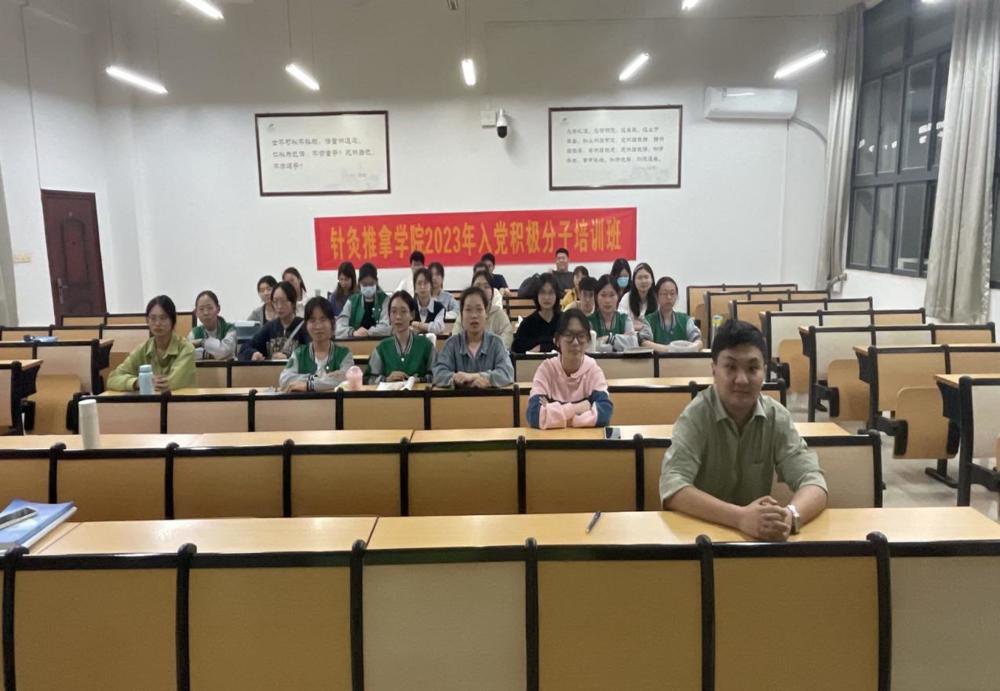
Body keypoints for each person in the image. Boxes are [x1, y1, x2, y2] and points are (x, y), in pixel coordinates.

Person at [659, 320, 828, 541]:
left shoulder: (776, 417)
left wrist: (790, 516)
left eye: (752, 368)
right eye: (730, 367)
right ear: (714, 370)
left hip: (757, 542)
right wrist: (740, 518)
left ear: (764, 372)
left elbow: (813, 480)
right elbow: (672, 487)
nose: (742, 379)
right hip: (702, 538)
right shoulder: (696, 415)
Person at [526, 309, 613, 429]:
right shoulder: (546, 369)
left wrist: (554, 415)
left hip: (586, 439)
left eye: (581, 336)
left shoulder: (593, 370)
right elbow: (534, 415)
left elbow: (604, 414)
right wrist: (577, 408)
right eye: (569, 335)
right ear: (557, 340)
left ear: (588, 340)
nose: (575, 342)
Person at [108, 295, 195, 392]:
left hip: (179, 400)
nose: (157, 323)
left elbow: (168, 384)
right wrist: (137, 382)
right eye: (153, 318)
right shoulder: (143, 349)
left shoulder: (186, 349)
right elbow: (113, 379)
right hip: (149, 401)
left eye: (163, 318)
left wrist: (147, 383)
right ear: (147, 321)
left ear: (173, 320)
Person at [433, 287, 514, 388]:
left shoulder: (496, 343)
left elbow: (507, 373)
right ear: (461, 315)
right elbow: (438, 373)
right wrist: (456, 378)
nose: (474, 315)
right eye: (468, 310)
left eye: (479, 309)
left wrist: (477, 376)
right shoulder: (452, 343)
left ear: (486, 314)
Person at [278, 297, 354, 392]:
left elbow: (348, 379)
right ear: (306, 325)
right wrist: (318, 378)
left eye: (323, 319)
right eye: (312, 320)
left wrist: (309, 385)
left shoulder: (344, 354)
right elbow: (284, 379)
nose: (318, 326)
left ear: (332, 323)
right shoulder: (299, 353)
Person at [368, 291, 436, 383]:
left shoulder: (426, 345)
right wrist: (387, 379)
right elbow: (369, 379)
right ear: (389, 315)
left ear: (412, 315)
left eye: (403, 311)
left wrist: (419, 380)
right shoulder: (381, 348)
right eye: (393, 312)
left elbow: (438, 376)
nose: (398, 317)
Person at [238, 281, 310, 361]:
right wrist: (253, 354)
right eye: (275, 302)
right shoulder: (270, 327)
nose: (279, 306)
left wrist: (289, 357)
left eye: (283, 301)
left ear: (293, 302)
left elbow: (313, 353)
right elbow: (244, 349)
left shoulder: (304, 326)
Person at [451, 269, 513, 348]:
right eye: (478, 286)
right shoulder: (464, 314)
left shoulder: (499, 314)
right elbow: (455, 339)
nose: (482, 290)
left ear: (492, 292)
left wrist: (488, 350)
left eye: (486, 286)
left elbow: (507, 339)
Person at [640, 277, 703, 351]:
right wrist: (671, 349)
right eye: (664, 294)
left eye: (672, 293)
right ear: (656, 296)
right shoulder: (648, 320)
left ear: (677, 296)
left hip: (682, 358)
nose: (669, 297)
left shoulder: (686, 320)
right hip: (657, 358)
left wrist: (691, 347)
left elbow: (698, 341)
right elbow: (644, 342)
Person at [336, 262, 391, 339]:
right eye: (364, 284)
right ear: (359, 283)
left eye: (371, 284)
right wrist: (353, 332)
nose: (368, 287)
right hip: (356, 343)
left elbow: (387, 327)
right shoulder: (352, 301)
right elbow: (338, 327)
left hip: (380, 342)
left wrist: (368, 332)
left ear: (376, 282)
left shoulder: (385, 300)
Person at [511, 272, 560, 354]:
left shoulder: (565, 321)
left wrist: (542, 346)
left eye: (551, 292)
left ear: (557, 295)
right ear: (536, 295)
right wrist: (549, 342)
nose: (546, 297)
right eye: (542, 292)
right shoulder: (527, 323)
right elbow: (517, 348)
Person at [588, 275, 638, 352]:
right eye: (603, 295)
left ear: (618, 296)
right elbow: (589, 347)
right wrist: (620, 343)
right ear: (596, 297)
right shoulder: (589, 321)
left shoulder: (625, 319)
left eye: (612, 295)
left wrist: (609, 339)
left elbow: (633, 344)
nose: (607, 300)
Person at [188, 290, 237, 360]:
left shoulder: (230, 329)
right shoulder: (194, 333)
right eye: (201, 309)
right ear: (196, 312)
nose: (206, 313)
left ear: (218, 309)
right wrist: (208, 354)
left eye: (210, 308)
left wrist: (202, 342)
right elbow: (187, 354)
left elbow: (223, 351)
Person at [618, 262, 656, 332]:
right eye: (639, 278)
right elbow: (620, 322)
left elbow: (658, 326)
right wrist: (644, 327)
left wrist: (634, 324)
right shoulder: (627, 298)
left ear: (652, 280)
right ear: (634, 281)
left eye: (646, 277)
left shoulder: (658, 299)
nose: (643, 281)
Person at [410, 268, 446, 335]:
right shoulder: (409, 306)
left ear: (431, 286)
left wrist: (418, 325)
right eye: (419, 283)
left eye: (426, 283)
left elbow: (438, 328)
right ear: (415, 288)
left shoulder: (439, 308)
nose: (422, 287)